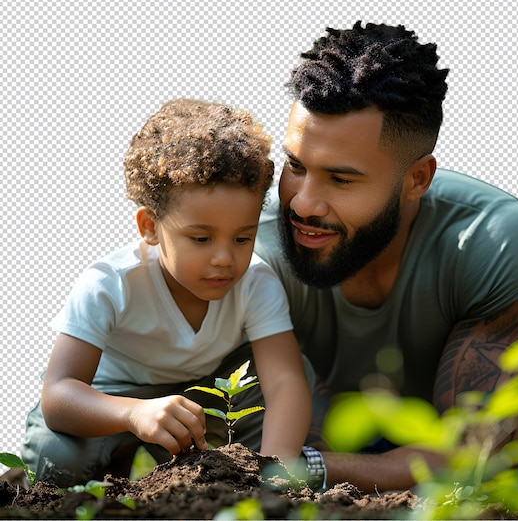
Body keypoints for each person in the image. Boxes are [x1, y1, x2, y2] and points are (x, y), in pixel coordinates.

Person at [254, 22, 518, 496]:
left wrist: (308, 468)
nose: (303, 203)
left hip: (483, 417)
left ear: (417, 180)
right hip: (327, 408)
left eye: (341, 180)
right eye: (296, 166)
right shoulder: (248, 241)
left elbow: (475, 454)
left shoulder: (491, 239)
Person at [21, 98, 312, 487]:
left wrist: (272, 474)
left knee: (295, 411)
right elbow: (58, 395)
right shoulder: (110, 283)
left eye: (243, 237)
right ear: (150, 227)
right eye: (201, 238)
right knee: (56, 463)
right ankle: (113, 457)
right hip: (111, 396)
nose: (225, 258)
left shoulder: (255, 282)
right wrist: (134, 414)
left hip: (203, 393)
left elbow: (283, 382)